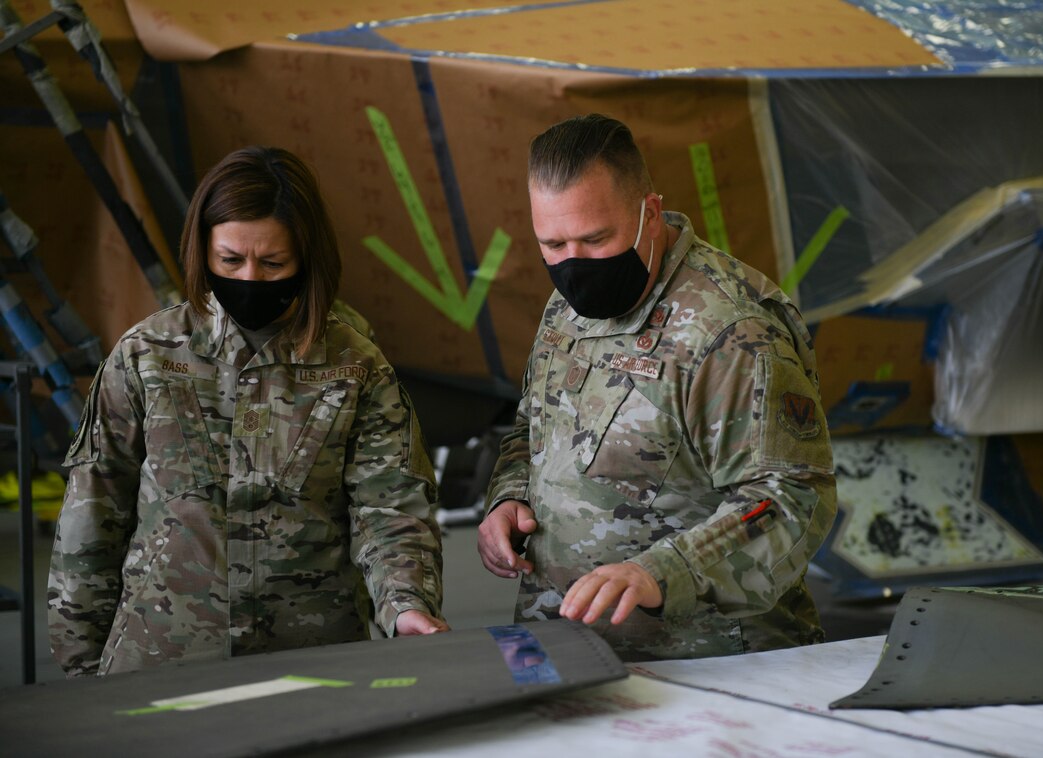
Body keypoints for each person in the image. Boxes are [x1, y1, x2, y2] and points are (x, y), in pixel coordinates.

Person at [48, 146, 447, 677]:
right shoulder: (148, 355)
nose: (251, 278)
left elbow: (389, 506)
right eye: (230, 261)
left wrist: (406, 605)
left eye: (273, 263)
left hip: (314, 658)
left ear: (306, 258)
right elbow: (95, 507)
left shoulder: (355, 365)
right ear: (203, 252)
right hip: (163, 657)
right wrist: (78, 660)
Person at [478, 114, 836, 661]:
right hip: (569, 648)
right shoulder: (567, 305)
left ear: (649, 212)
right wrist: (508, 497)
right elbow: (533, 430)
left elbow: (792, 499)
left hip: (710, 662)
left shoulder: (729, 330)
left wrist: (665, 572)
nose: (574, 264)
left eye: (596, 239)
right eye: (552, 243)